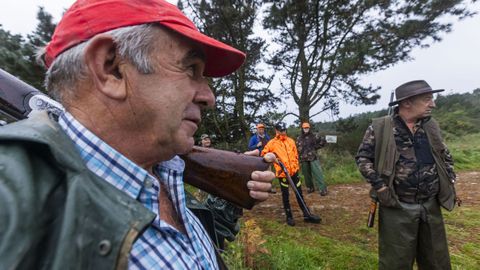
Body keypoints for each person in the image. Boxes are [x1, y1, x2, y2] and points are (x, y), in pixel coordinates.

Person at [0, 0, 275, 269]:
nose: (208, 97)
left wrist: (227, 194)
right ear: (111, 68)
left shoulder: (167, 170)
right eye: (190, 69)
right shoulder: (13, 205)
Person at [356, 80, 458, 270]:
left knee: (436, 260)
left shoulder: (430, 126)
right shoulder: (381, 127)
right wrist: (380, 186)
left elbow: (444, 155)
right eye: (427, 99)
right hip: (397, 206)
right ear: (407, 102)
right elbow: (362, 158)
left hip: (430, 205)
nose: (433, 104)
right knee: (396, 262)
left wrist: (449, 178)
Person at [261, 122, 321, 226]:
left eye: (284, 130)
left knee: (299, 193)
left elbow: (295, 155)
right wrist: (273, 159)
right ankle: (289, 217)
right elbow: (264, 154)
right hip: (282, 174)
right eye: (281, 130)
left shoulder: (291, 141)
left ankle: (307, 215)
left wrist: (296, 167)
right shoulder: (272, 143)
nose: (283, 132)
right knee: (285, 195)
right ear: (276, 131)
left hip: (294, 172)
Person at [296, 122, 328, 195]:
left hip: (313, 157)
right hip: (303, 159)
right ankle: (310, 188)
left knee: (318, 173)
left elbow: (323, 142)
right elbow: (297, 148)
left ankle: (323, 189)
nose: (306, 129)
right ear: (302, 128)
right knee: (306, 175)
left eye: (307, 128)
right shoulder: (299, 138)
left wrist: (316, 147)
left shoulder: (314, 136)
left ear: (309, 128)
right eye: (304, 128)